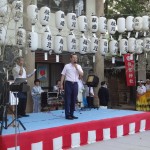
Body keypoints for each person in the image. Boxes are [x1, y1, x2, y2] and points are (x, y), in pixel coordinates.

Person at [60, 54, 83, 120]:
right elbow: (63, 75)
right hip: (68, 84)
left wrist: (77, 68)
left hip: (75, 84)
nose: (75, 59)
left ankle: (72, 114)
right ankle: (67, 115)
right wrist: (61, 84)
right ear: (70, 59)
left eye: (76, 58)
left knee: (74, 100)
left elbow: (81, 74)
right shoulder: (67, 66)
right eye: (73, 58)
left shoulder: (78, 66)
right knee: (68, 100)